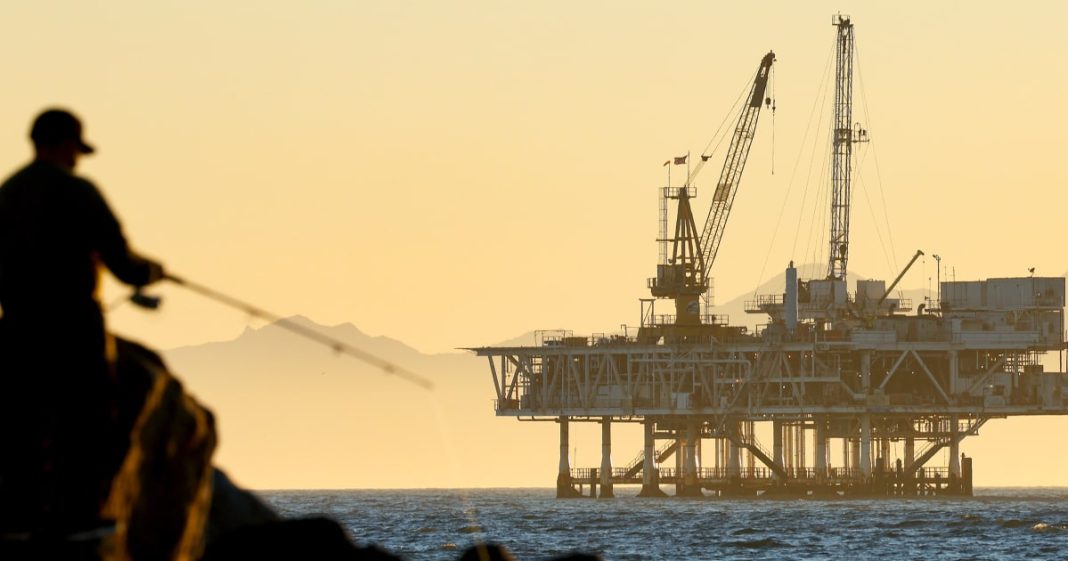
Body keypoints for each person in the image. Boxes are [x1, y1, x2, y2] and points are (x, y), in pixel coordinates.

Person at [0, 108, 164, 544]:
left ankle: (17, 518)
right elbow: (122, 262)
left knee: (24, 424)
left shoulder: (8, 193)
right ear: (67, 145)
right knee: (85, 420)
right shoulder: (78, 191)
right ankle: (78, 518)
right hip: (74, 328)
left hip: (17, 328)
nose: (76, 159)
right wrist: (150, 272)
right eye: (75, 150)